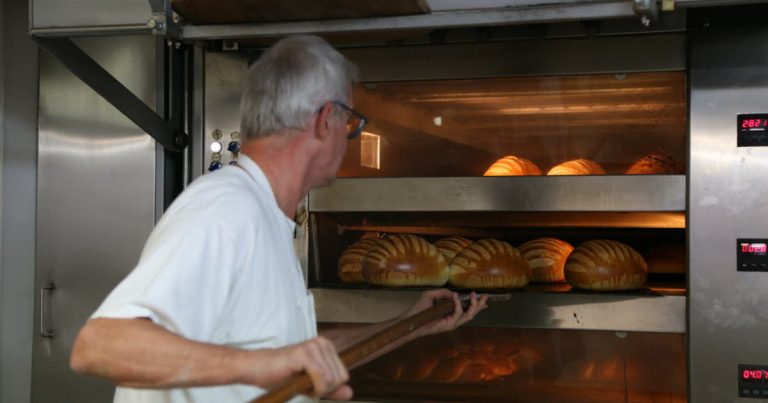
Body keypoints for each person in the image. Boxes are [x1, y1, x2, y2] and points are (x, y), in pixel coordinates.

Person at [69, 35, 488, 403]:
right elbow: (100, 345)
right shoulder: (226, 210)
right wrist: (260, 366)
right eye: (351, 123)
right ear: (326, 119)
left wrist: (407, 326)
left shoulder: (267, 216)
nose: (349, 137)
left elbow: (299, 353)